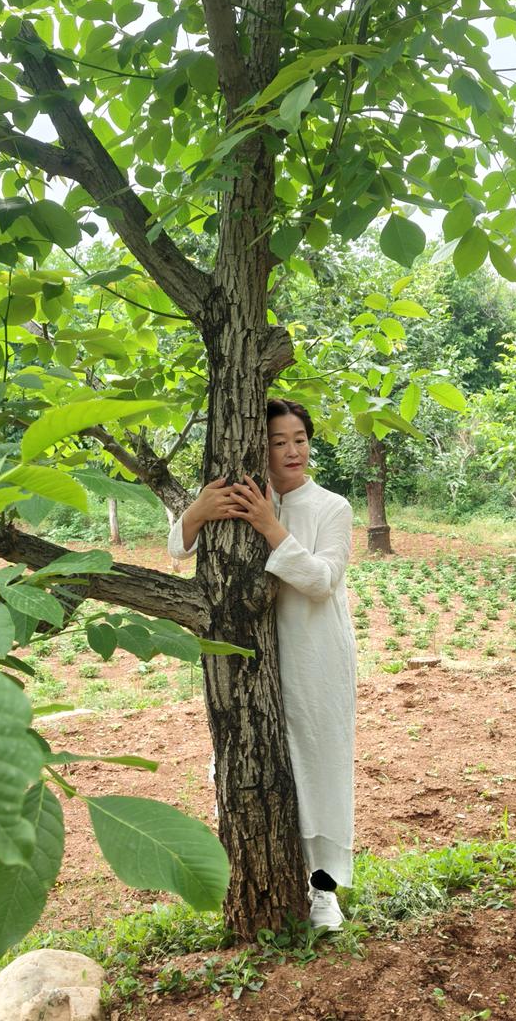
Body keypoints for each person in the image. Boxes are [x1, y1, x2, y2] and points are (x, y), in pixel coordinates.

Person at [167, 398, 356, 931]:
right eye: (279, 442)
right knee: (259, 761)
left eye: (300, 439)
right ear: (260, 448)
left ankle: (323, 890)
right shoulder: (246, 499)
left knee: (320, 768)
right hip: (253, 660)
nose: (293, 451)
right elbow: (176, 550)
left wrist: (272, 526)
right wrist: (198, 512)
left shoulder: (332, 507)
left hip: (317, 655)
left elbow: (321, 582)